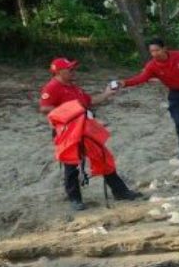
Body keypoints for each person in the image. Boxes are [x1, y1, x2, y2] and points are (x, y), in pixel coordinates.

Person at [39, 57, 141, 211]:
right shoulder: (52, 87)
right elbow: (45, 108)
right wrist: (73, 111)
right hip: (68, 132)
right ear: (59, 72)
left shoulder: (74, 88)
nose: (73, 71)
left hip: (85, 128)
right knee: (71, 164)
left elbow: (90, 100)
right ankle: (75, 199)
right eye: (70, 69)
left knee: (102, 157)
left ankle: (121, 192)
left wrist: (107, 93)